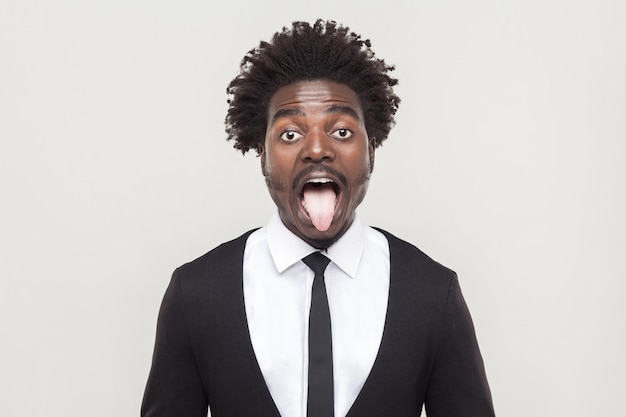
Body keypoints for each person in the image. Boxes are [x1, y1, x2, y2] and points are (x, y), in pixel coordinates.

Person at [141, 19, 495, 417]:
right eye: (290, 134)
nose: (316, 149)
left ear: (372, 149)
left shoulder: (433, 293)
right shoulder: (196, 294)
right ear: (262, 154)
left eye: (341, 131)